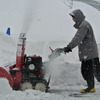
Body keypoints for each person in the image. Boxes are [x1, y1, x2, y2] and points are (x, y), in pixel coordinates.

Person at [61, 9, 100, 93]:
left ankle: (90, 87)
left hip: (89, 54)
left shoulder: (84, 25)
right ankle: (91, 87)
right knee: (88, 71)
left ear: (78, 17)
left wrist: (69, 47)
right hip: (88, 53)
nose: (73, 19)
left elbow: (78, 38)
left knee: (93, 72)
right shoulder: (84, 24)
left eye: (73, 17)